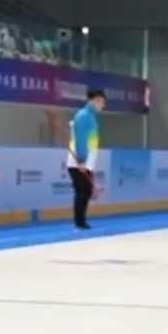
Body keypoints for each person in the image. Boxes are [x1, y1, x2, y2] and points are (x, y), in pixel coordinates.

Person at [67, 90, 106, 230]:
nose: (103, 105)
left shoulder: (90, 117)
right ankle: (79, 222)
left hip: (86, 162)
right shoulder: (84, 116)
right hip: (79, 162)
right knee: (82, 191)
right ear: (94, 100)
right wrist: (82, 160)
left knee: (86, 191)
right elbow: (81, 140)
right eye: (102, 102)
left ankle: (81, 220)